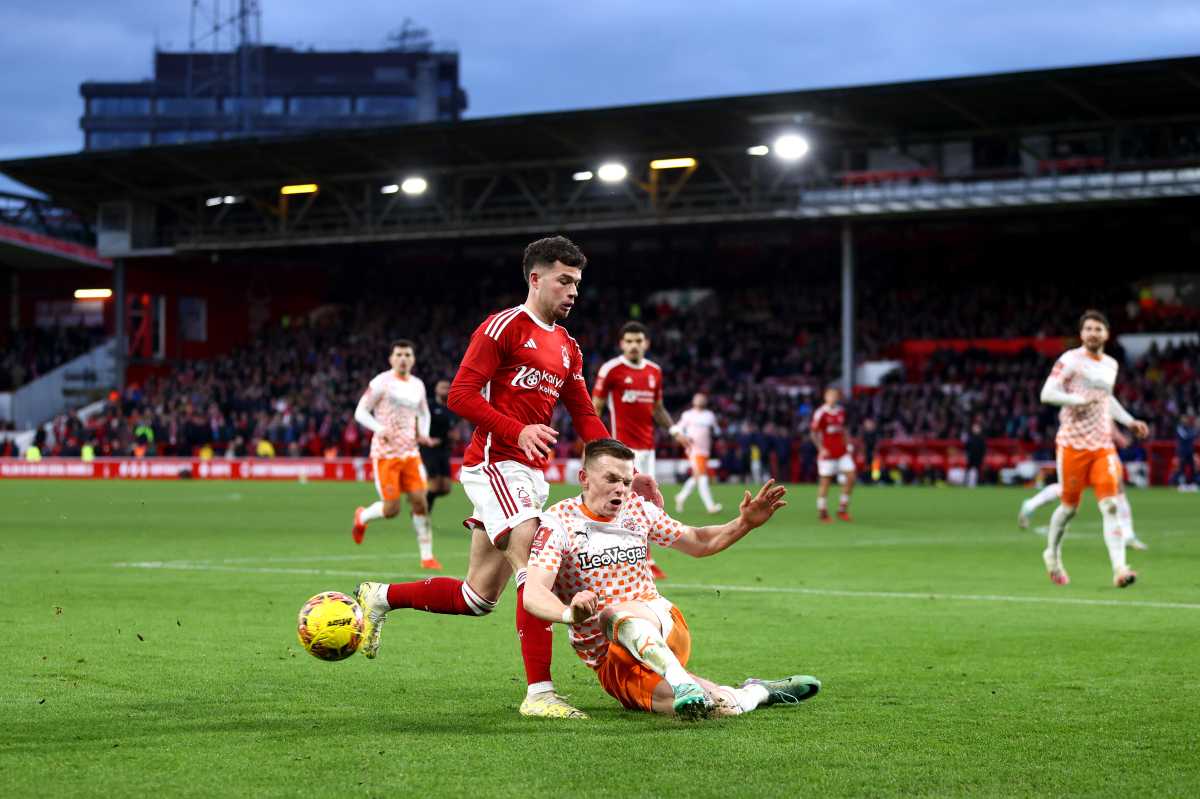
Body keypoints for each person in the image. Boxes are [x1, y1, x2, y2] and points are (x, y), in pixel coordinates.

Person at [353, 235, 619, 720]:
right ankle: (539, 693)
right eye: (565, 281)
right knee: (538, 563)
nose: (574, 291)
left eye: (578, 283)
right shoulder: (504, 327)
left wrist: (619, 470)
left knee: (477, 597)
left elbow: (584, 415)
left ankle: (381, 596)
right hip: (494, 464)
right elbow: (460, 395)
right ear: (535, 278)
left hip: (530, 475)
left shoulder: (569, 348)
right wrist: (518, 428)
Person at [522, 438, 819, 719]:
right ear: (584, 477)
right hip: (611, 661)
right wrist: (569, 613)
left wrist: (744, 524)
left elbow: (698, 541)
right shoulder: (558, 522)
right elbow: (533, 592)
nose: (621, 490)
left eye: (626, 482)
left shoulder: (637, 510)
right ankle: (758, 691)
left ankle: (680, 680)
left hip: (661, 622)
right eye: (611, 480)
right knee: (713, 707)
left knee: (613, 612)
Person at [1039, 310, 1149, 588]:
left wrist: (1129, 421)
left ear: (1106, 334)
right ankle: (1052, 554)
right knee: (1068, 509)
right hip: (1072, 445)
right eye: (1088, 328)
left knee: (1110, 504)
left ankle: (1120, 569)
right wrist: (1075, 400)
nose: (1092, 333)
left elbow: (1106, 399)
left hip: (1102, 445)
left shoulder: (1110, 364)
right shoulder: (1070, 360)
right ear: (1081, 333)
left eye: (1098, 329)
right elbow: (1047, 393)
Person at [592, 321, 691, 579]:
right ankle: (632, 557)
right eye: (629, 341)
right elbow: (595, 407)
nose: (634, 345)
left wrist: (674, 431)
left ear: (646, 343)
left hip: (648, 449)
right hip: (621, 449)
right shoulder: (611, 370)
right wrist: (595, 443)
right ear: (621, 344)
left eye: (638, 341)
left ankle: (640, 557)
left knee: (646, 504)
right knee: (622, 503)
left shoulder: (654, 371)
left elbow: (657, 408)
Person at [350, 340, 440, 570]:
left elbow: (424, 413)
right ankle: (362, 517)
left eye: (407, 354)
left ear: (413, 359)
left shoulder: (418, 385)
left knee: (420, 502)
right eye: (398, 354)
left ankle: (427, 556)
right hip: (386, 454)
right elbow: (360, 412)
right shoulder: (381, 382)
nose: (403, 358)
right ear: (391, 358)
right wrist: (379, 429)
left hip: (410, 453)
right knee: (392, 510)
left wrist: (424, 433)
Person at [1018, 424, 1147, 551]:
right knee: (1069, 489)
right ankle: (1031, 504)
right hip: (1081, 449)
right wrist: (1120, 436)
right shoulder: (1092, 406)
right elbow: (1104, 416)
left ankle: (1128, 535)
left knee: (1117, 487)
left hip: (1098, 448)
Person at [671, 393, 722, 514]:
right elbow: (677, 429)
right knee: (703, 477)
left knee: (696, 477)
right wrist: (684, 437)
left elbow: (717, 430)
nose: (700, 400)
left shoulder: (709, 415)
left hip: (705, 451)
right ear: (693, 401)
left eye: (702, 398)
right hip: (693, 450)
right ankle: (711, 507)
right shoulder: (687, 415)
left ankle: (680, 497)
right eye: (698, 398)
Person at [811, 387, 856, 522]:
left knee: (851, 477)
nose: (833, 398)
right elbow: (813, 433)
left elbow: (844, 430)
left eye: (835, 396)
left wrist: (848, 443)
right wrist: (821, 448)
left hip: (842, 452)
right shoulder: (821, 413)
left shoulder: (841, 411)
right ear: (826, 397)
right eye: (830, 395)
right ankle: (822, 512)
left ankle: (842, 509)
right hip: (828, 454)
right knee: (826, 482)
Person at [420, 379, 458, 514]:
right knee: (435, 485)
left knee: (446, 488)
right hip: (429, 449)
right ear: (436, 390)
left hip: (444, 449)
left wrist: (453, 437)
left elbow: (452, 428)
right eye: (442, 387)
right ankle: (422, 511)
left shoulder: (452, 408)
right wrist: (423, 438)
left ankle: (423, 497)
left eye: (448, 388)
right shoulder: (428, 407)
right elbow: (417, 421)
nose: (446, 390)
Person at [964, 422, 986, 488]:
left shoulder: (981, 438)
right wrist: (967, 455)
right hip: (971, 457)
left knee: (978, 471)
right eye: (974, 428)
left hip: (978, 457)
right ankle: (966, 482)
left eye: (977, 428)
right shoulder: (970, 438)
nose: (975, 429)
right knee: (968, 470)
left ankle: (979, 483)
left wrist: (982, 456)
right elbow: (967, 447)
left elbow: (983, 449)